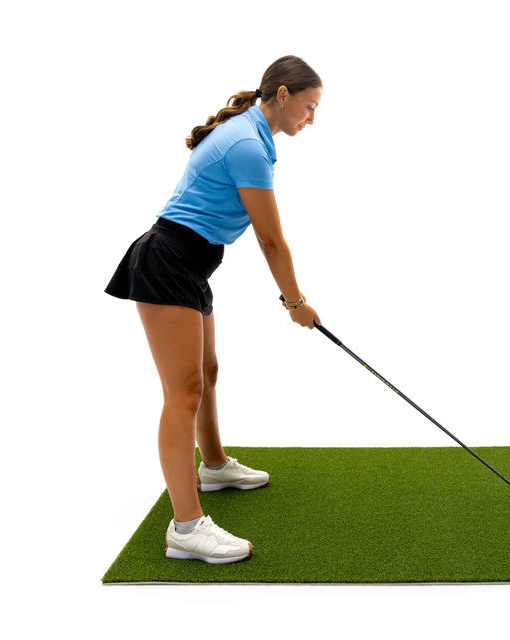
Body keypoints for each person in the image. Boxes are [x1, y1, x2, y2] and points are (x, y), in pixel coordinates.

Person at [104, 55, 323, 564]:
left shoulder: (251, 133)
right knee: (183, 393)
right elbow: (271, 239)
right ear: (283, 95)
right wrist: (295, 302)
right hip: (167, 263)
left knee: (206, 372)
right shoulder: (247, 144)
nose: (311, 119)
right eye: (309, 107)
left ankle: (214, 466)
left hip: (189, 264)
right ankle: (186, 527)